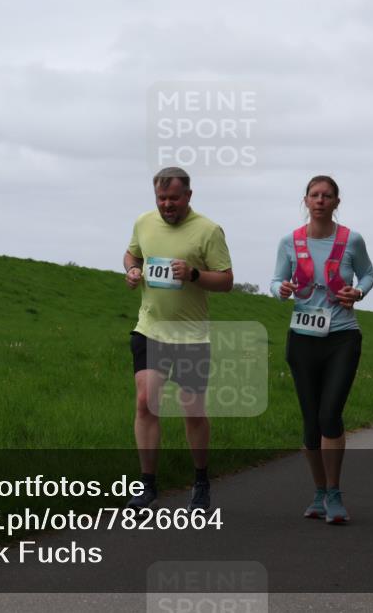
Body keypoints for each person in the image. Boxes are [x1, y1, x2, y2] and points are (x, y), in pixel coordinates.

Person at [123, 167, 233, 512]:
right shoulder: (143, 222)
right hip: (149, 329)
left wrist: (195, 274)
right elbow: (132, 254)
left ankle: (201, 480)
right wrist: (131, 270)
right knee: (145, 402)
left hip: (190, 336)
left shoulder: (208, 231)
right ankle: (147, 486)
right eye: (161, 198)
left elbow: (227, 280)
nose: (166, 205)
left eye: (173, 198)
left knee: (192, 410)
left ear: (188, 196)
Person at [271, 175, 373, 524]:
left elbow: (368, 275)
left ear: (336, 202)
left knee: (330, 415)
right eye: (314, 195)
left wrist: (358, 292)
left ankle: (334, 493)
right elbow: (274, 280)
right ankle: (318, 492)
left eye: (327, 196)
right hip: (302, 338)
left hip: (342, 336)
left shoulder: (351, 240)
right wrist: (281, 289)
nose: (320, 200)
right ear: (306, 200)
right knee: (310, 423)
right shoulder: (290, 241)